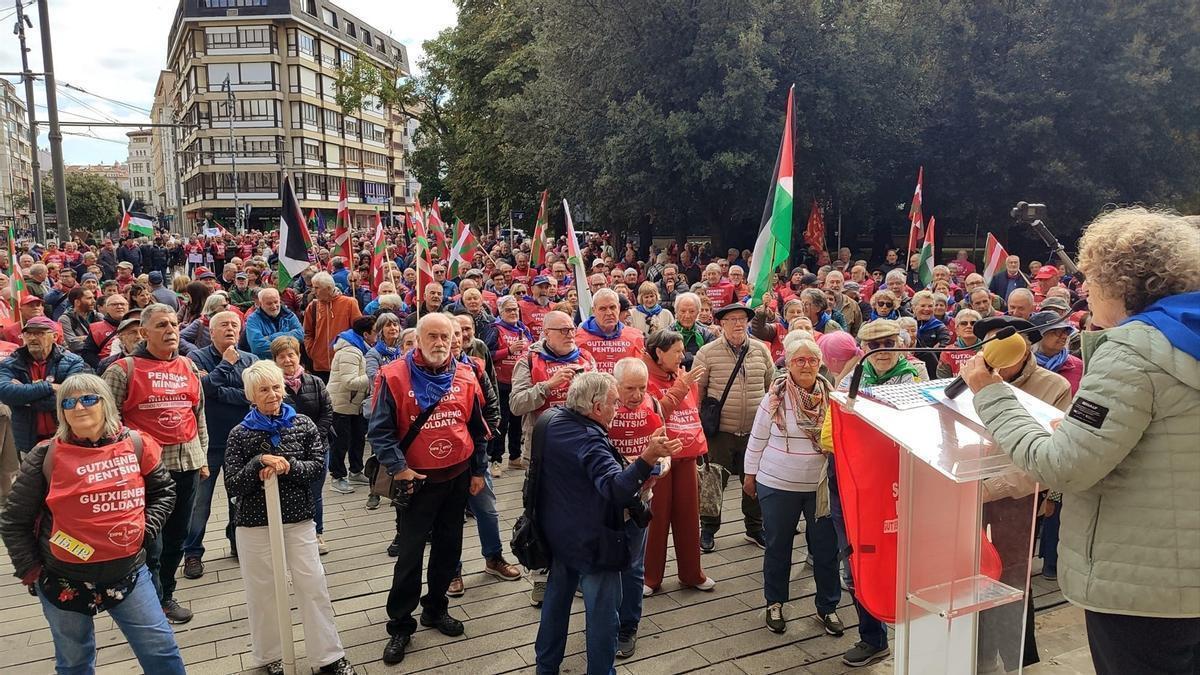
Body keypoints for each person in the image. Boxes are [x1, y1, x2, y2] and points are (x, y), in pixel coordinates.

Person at [961, 208, 1200, 674]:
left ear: (1124, 284)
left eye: (1091, 280)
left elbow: (1063, 467)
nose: (1085, 291)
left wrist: (991, 395)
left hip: (1142, 588)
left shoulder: (1133, 352)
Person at [0, 374, 185, 674]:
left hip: (128, 572)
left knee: (161, 653)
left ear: (106, 403)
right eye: (69, 402)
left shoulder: (136, 444)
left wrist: (144, 529)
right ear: (61, 413)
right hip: (63, 577)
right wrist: (31, 571)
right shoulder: (45, 455)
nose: (78, 407)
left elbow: (164, 491)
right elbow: (13, 521)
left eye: (88, 398)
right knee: (74, 663)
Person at [534, 372, 678, 675]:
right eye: (614, 403)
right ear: (597, 408)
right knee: (603, 615)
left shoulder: (551, 419)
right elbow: (615, 489)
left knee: (556, 603)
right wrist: (648, 457)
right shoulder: (590, 440)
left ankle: (545, 668)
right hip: (594, 540)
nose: (618, 408)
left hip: (558, 532)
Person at [367, 313, 489, 666]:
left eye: (445, 336)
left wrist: (478, 470)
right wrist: (400, 469)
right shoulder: (392, 376)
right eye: (431, 336)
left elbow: (477, 428)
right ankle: (400, 625)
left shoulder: (468, 374)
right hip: (416, 481)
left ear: (455, 339)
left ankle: (436, 608)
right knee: (409, 556)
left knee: (449, 549)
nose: (439, 343)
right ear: (417, 339)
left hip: (457, 476)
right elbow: (380, 431)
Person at [225, 360, 356, 675]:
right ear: (251, 396)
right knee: (263, 591)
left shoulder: (303, 425)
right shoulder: (239, 434)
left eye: (275, 387)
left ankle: (328, 657)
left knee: (312, 585)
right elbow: (233, 483)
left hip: (298, 518)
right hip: (254, 524)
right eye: (263, 390)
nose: (271, 394)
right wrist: (258, 463)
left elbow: (316, 469)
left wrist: (289, 466)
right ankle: (272, 656)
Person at [102, 303, 208, 625]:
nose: (171, 330)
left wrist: (202, 456)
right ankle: (148, 603)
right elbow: (108, 422)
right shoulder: (123, 370)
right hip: (145, 473)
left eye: (174, 324)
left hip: (187, 463)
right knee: (152, 543)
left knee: (177, 537)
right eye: (162, 325)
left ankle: (165, 597)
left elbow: (198, 414)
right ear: (144, 333)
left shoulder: (189, 366)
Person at [745, 336, 842, 636]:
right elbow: (758, 437)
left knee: (826, 549)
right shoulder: (774, 397)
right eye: (799, 360)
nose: (806, 366)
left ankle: (828, 607)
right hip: (777, 483)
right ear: (787, 363)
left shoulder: (833, 397)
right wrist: (749, 474)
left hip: (819, 486)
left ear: (820, 364)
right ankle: (774, 602)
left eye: (812, 360)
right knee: (778, 546)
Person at [181, 311, 258, 580]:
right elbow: (201, 390)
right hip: (208, 443)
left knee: (239, 498)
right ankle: (192, 553)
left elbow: (253, 395)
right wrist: (225, 366)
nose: (230, 329)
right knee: (199, 502)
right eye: (223, 325)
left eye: (234, 325)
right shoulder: (196, 358)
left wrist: (218, 390)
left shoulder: (251, 359)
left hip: (242, 442)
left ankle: (237, 542)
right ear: (211, 332)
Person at [693, 303, 774, 552]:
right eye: (732, 319)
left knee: (754, 481)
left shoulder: (761, 351)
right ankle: (708, 528)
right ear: (721, 323)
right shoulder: (707, 353)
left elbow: (769, 386)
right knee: (714, 481)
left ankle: (754, 527)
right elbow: (699, 391)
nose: (739, 324)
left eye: (742, 319)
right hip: (721, 432)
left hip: (754, 433)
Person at [640, 332, 713, 596]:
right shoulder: (644, 377)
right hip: (658, 456)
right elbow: (654, 414)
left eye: (684, 351)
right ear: (659, 352)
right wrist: (681, 387)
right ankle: (650, 577)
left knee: (688, 514)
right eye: (677, 352)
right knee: (656, 517)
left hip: (686, 453)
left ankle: (691, 573)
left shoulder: (682, 375)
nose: (683, 356)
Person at [606, 358, 670, 658]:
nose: (636, 395)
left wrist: (660, 466)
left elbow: (665, 451)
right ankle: (604, 619)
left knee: (632, 568)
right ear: (614, 384)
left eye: (641, 388)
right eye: (629, 388)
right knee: (604, 565)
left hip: (641, 500)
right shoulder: (601, 407)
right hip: (604, 502)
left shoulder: (654, 405)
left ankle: (627, 627)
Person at [0, 316, 88, 452]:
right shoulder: (11, 363)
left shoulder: (73, 361)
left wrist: (24, 399)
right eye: (28, 333)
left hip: (66, 436)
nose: (32, 338)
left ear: (54, 336)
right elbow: (4, 393)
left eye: (39, 333)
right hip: (27, 439)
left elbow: (71, 397)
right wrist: (49, 387)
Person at [327, 315, 376, 494]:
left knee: (358, 438)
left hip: (354, 404)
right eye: (375, 332)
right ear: (366, 334)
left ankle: (356, 471)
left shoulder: (361, 348)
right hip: (342, 404)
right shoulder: (350, 351)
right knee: (340, 442)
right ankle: (337, 476)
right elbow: (350, 382)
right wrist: (374, 375)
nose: (377, 336)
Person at [490, 296, 533, 474]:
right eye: (509, 310)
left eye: (515, 309)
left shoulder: (524, 330)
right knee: (502, 423)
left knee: (517, 422)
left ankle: (515, 457)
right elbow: (488, 353)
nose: (513, 313)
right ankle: (496, 459)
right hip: (501, 383)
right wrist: (508, 350)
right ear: (500, 312)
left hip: (520, 383)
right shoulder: (494, 329)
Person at [303, 272, 363, 380]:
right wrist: (313, 351)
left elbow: (359, 331)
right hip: (320, 365)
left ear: (329, 288)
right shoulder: (313, 306)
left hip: (344, 363)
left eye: (317, 288)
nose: (313, 291)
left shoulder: (349, 303)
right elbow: (307, 333)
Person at [577, 289, 645, 373]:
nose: (609, 313)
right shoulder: (578, 340)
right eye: (603, 309)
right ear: (594, 310)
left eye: (612, 307)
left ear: (619, 308)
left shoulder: (635, 337)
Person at [1028, 310, 1084, 394]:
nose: (1064, 336)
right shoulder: (1024, 362)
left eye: (1066, 331)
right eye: (1058, 332)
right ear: (1039, 336)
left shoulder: (1078, 366)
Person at [244, 287, 304, 359]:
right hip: (267, 364)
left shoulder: (289, 315)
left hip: (289, 361)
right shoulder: (253, 319)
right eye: (269, 304)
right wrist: (289, 344)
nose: (274, 306)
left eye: (276, 302)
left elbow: (301, 335)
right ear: (260, 304)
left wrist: (271, 337)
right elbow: (257, 347)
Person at [910, 290, 951, 377]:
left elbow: (943, 349)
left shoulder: (940, 327)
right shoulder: (907, 325)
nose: (927, 309)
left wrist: (929, 351)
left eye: (930, 306)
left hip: (932, 369)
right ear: (914, 307)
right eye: (923, 306)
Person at [672, 292, 714, 370]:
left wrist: (686, 358)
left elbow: (709, 360)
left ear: (698, 312)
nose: (687, 316)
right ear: (676, 312)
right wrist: (694, 357)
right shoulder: (668, 334)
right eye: (683, 311)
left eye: (692, 311)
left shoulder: (707, 334)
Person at [936, 309, 982, 378]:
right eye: (964, 323)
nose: (969, 326)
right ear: (957, 330)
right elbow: (942, 380)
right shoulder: (947, 352)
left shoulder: (987, 349)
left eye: (973, 323)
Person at [58, 287, 101, 354]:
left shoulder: (98, 316)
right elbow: (72, 344)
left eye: (93, 297)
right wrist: (95, 340)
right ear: (77, 302)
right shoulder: (65, 319)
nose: (94, 301)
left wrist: (83, 338)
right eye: (89, 298)